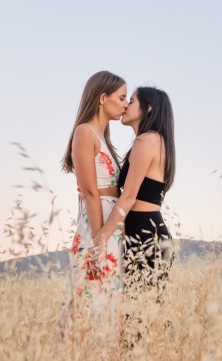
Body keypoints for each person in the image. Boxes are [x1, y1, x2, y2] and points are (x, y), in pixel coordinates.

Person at [93, 86, 175, 296]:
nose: (126, 105)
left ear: (148, 108)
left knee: (137, 318)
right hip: (150, 231)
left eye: (131, 101)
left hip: (144, 233)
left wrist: (100, 237)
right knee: (144, 315)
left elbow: (129, 197)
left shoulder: (146, 140)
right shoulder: (157, 140)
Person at [61, 70, 128, 305]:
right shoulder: (84, 132)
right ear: (102, 98)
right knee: (91, 297)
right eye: (121, 98)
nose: (126, 104)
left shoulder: (103, 138)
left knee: (108, 297)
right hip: (97, 223)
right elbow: (89, 192)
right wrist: (99, 241)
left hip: (110, 223)